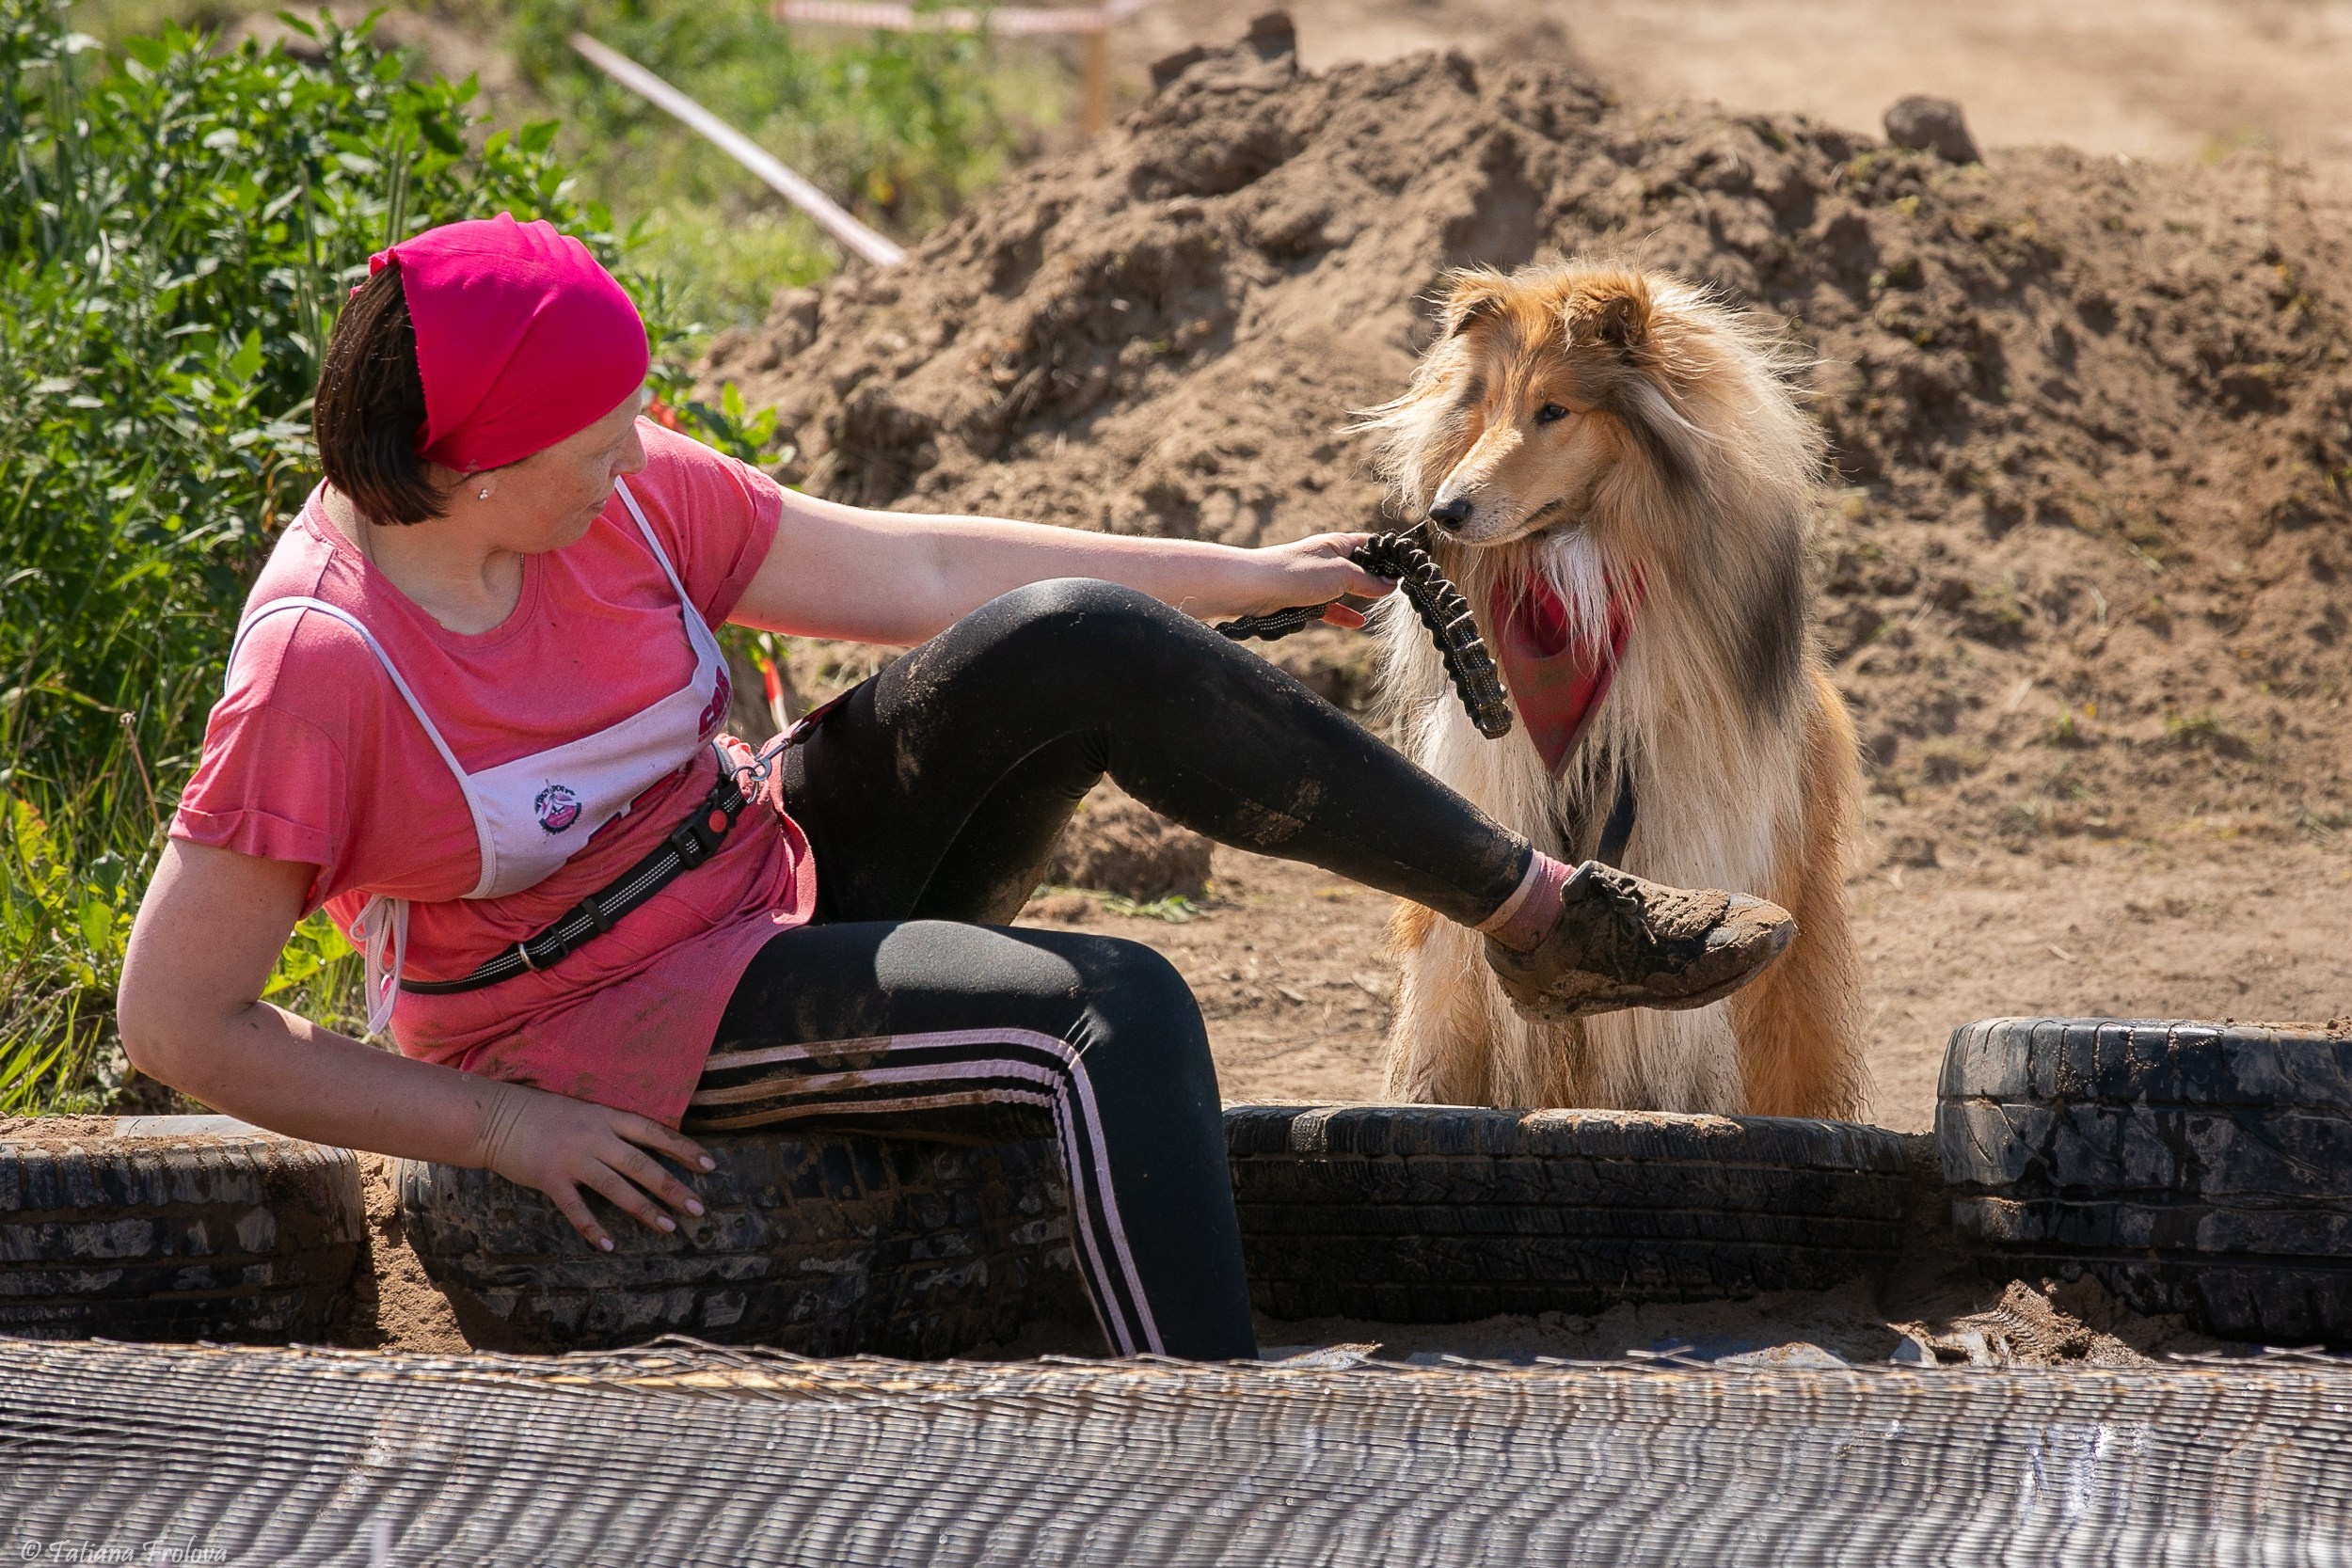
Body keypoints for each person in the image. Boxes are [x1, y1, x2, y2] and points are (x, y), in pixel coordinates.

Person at [116, 215, 1794, 1362]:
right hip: (604, 1028)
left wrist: (1261, 580)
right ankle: (1215, 1459)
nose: (641, 456)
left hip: (751, 873)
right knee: (1108, 1012)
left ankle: (1538, 915)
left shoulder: (612, 492)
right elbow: (182, 1026)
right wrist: (500, 1127)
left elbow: (915, 565)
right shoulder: (326, 672)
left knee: (1079, 640)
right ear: (471, 468)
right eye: (601, 438)